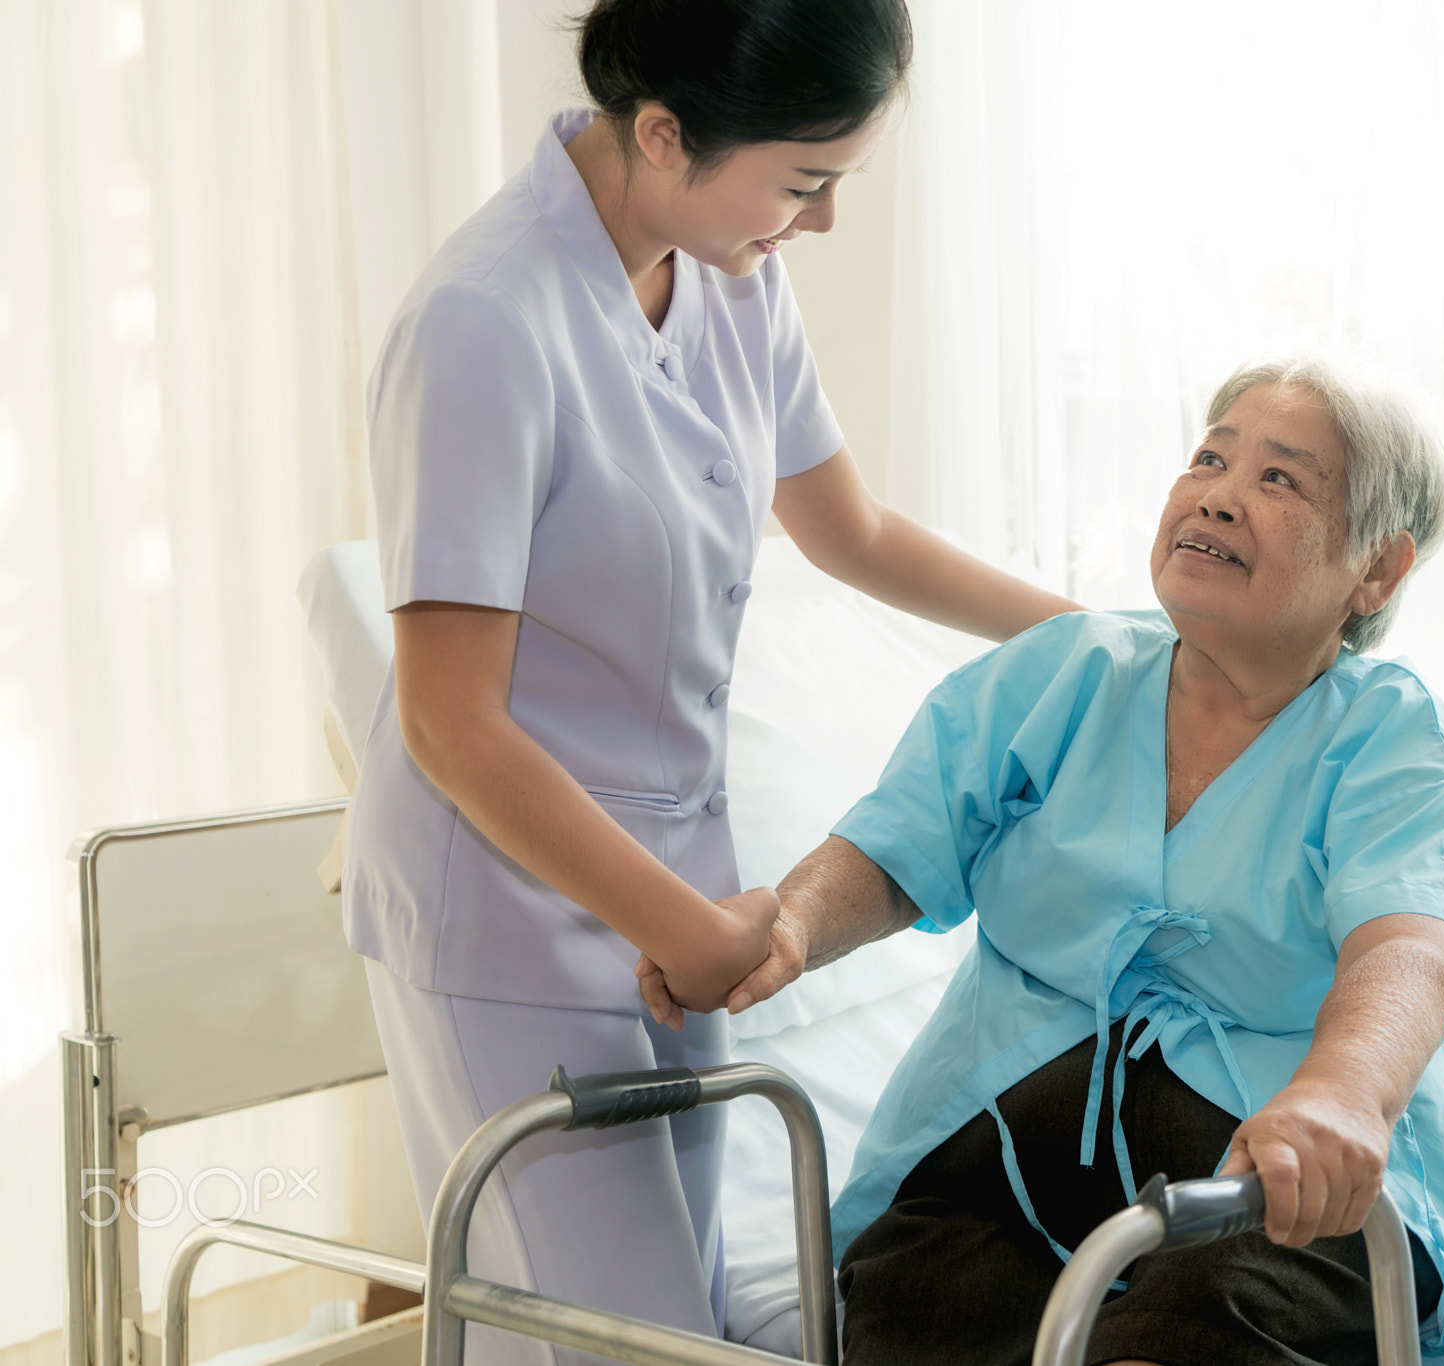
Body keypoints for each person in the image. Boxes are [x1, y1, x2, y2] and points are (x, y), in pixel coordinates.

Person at [343, 1, 1077, 1360]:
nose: (823, 222)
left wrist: (1102, 640)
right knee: (626, 1341)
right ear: (667, 133)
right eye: (806, 181)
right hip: (510, 907)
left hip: (673, 901)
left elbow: (851, 533)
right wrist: (680, 922)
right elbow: (449, 719)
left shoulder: (729, 266)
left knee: (680, 1330)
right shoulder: (483, 321)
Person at [645, 355, 1444, 1365]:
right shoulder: (1057, 672)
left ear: (1375, 570)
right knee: (915, 1303)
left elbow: (1410, 944)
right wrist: (792, 924)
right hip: (1009, 1138)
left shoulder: (1390, 736)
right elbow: (897, 840)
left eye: (1278, 478)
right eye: (1209, 458)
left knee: (1221, 1309)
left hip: (1272, 1154)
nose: (1218, 496)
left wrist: (1341, 1092)